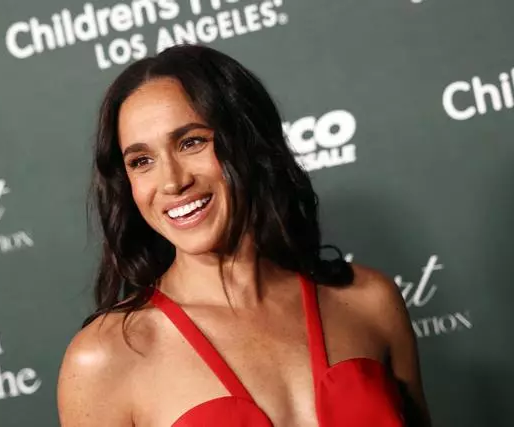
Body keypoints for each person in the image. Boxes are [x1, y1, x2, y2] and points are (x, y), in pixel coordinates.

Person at [57, 44, 431, 426]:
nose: (172, 182)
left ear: (249, 142)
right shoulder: (104, 359)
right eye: (142, 161)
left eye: (191, 142)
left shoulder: (369, 303)